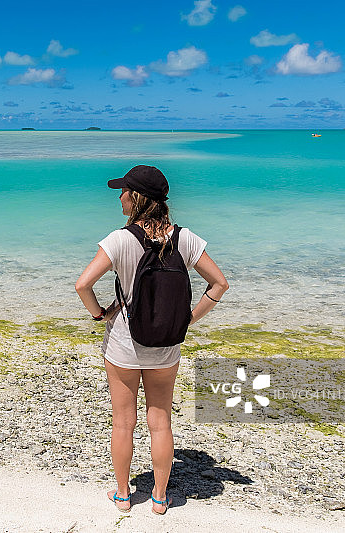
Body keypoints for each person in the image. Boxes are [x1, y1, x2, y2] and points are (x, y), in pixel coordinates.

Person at [75, 165, 229, 514]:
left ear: (137, 197)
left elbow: (82, 285)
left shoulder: (119, 239)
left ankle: (123, 495)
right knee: (160, 420)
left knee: (122, 422)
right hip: (166, 347)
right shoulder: (186, 239)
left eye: (124, 191)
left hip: (123, 347)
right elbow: (219, 284)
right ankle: (160, 498)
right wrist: (187, 319)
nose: (119, 196)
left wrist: (100, 314)